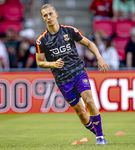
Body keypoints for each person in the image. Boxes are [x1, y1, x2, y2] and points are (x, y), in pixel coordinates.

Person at [35, 4, 109, 145]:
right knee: (81, 113)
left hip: (78, 72)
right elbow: (39, 62)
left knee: (89, 102)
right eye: (45, 15)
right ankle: (98, 133)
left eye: (50, 14)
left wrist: (100, 58)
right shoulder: (41, 40)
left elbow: (89, 43)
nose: (48, 17)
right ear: (43, 18)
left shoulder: (69, 31)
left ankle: (100, 137)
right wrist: (52, 64)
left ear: (56, 14)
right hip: (63, 80)